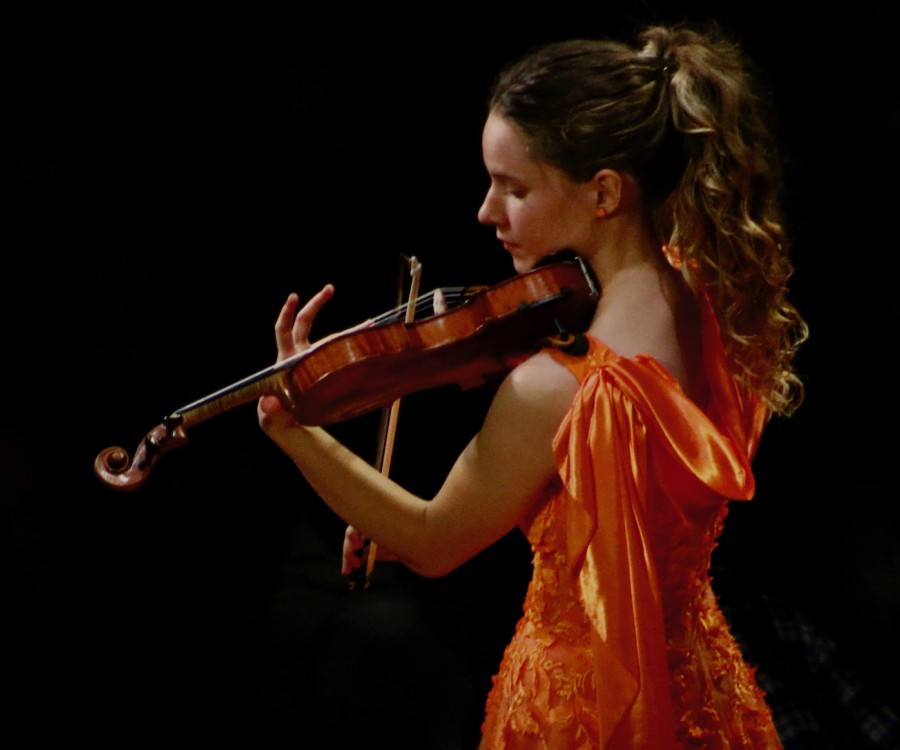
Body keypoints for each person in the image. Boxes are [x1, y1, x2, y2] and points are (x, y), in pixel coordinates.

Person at [257, 21, 808, 749]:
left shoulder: (562, 387)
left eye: (513, 188)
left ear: (605, 191)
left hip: (579, 713)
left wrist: (293, 429)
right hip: (700, 695)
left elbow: (433, 540)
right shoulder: (715, 303)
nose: (487, 212)